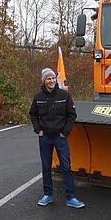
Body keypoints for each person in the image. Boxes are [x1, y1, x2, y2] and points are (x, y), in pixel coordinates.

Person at [29, 68, 83, 208]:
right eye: (48, 78)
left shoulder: (65, 95)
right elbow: (33, 114)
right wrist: (38, 130)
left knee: (66, 166)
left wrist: (65, 132)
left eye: (53, 78)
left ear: (56, 79)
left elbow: (72, 115)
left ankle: (71, 197)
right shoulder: (38, 97)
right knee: (46, 167)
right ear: (44, 81)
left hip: (60, 137)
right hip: (45, 137)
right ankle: (48, 195)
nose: (51, 81)